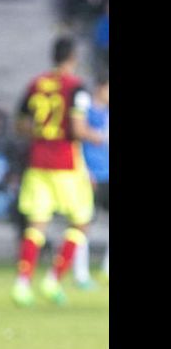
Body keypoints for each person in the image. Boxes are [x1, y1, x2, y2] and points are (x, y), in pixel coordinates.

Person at [10, 36, 107, 307]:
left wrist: (41, 133)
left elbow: (19, 123)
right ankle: (53, 280)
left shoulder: (36, 84)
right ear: (74, 57)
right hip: (66, 162)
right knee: (81, 221)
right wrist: (97, 136)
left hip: (38, 162)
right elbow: (77, 129)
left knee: (36, 225)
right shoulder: (77, 88)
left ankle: (22, 284)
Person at [72, 72, 109, 287]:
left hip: (108, 173)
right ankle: (81, 274)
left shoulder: (106, 113)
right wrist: (84, 170)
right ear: (100, 88)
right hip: (89, 175)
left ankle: (106, 268)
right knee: (82, 222)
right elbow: (77, 141)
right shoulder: (85, 111)